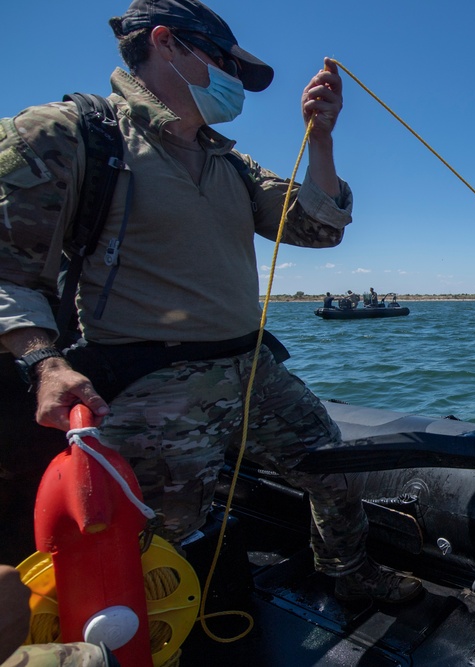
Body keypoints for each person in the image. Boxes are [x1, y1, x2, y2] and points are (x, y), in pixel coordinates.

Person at [0, 0, 420, 605]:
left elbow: (316, 228)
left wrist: (320, 142)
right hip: (150, 382)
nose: (236, 83)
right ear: (167, 43)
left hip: (251, 370)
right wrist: (45, 361)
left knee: (334, 471)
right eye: (226, 63)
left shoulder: (230, 162)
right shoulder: (65, 136)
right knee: (162, 543)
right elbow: (8, 269)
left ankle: (347, 573)